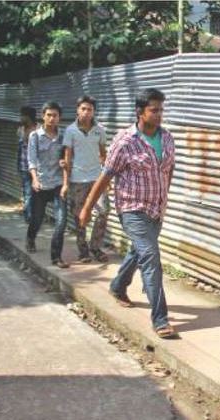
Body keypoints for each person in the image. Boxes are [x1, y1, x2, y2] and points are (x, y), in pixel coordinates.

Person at [78, 88, 177, 339]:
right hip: (132, 209)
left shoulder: (167, 138)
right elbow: (105, 176)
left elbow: (169, 168)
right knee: (150, 256)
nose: (159, 114)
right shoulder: (125, 141)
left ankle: (118, 285)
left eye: (161, 110)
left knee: (138, 251)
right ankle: (160, 319)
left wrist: (165, 196)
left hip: (156, 208)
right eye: (154, 110)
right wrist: (87, 207)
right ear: (140, 111)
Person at [62, 95, 110, 263]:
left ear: (94, 111)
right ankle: (83, 251)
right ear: (77, 110)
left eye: (90, 109)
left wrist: (107, 180)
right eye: (83, 109)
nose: (86, 112)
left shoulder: (100, 130)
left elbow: (103, 155)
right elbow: (67, 158)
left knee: (103, 211)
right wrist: (65, 183)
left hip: (97, 179)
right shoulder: (70, 131)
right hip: (77, 179)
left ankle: (95, 247)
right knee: (79, 216)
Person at [26, 101, 70, 268]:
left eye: (55, 115)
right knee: (37, 219)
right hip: (41, 184)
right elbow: (31, 160)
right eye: (49, 115)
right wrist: (34, 179)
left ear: (59, 118)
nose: (52, 118)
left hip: (58, 184)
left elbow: (67, 158)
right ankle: (30, 237)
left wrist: (65, 170)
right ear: (43, 116)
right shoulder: (35, 136)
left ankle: (56, 257)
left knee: (61, 220)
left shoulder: (63, 136)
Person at [17, 106, 38, 223]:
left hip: (36, 168)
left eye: (22, 116)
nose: (20, 118)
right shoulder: (20, 130)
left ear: (28, 117)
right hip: (24, 166)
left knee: (35, 194)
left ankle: (32, 215)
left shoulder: (38, 130)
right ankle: (29, 217)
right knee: (27, 193)